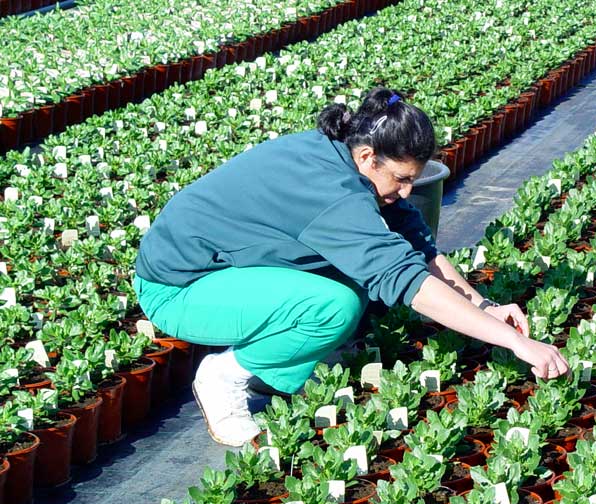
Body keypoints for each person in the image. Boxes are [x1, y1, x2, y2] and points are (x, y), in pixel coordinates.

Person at [133, 88, 569, 446]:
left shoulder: (346, 159)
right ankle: (227, 375)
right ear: (367, 158)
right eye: (401, 178)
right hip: (182, 287)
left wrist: (484, 304)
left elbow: (417, 250)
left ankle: (288, 359)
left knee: (360, 277)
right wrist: (516, 344)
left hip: (234, 269)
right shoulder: (333, 194)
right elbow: (410, 283)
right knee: (335, 305)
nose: (407, 189)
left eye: (413, 179)